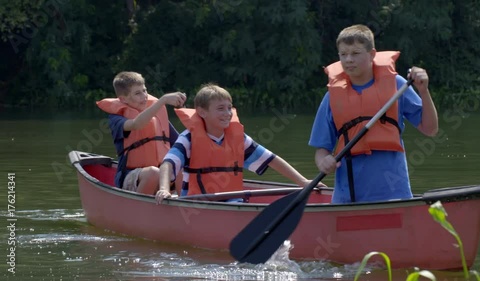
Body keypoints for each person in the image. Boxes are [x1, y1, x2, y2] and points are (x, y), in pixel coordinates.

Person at [309, 24, 438, 204]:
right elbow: (321, 150)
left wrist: (424, 92)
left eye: (355, 53)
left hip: (393, 194)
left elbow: (430, 129)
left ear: (372, 54)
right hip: (349, 198)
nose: (348, 59)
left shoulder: (397, 85)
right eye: (343, 54)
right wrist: (323, 161)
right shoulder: (332, 97)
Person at [156, 83, 321, 203]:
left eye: (229, 108)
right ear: (202, 112)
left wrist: (303, 182)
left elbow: (271, 159)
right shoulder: (188, 138)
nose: (227, 113)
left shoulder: (238, 138)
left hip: (231, 201)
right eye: (220, 109)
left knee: (237, 204)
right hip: (195, 203)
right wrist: (164, 189)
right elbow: (168, 164)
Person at [96, 71, 187, 195]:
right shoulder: (116, 119)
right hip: (132, 177)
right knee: (153, 173)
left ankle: (184, 205)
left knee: (182, 166)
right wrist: (163, 100)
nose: (144, 96)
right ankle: (138, 211)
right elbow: (136, 124)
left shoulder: (158, 117)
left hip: (163, 177)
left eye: (144, 91)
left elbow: (181, 144)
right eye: (137, 93)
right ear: (123, 99)